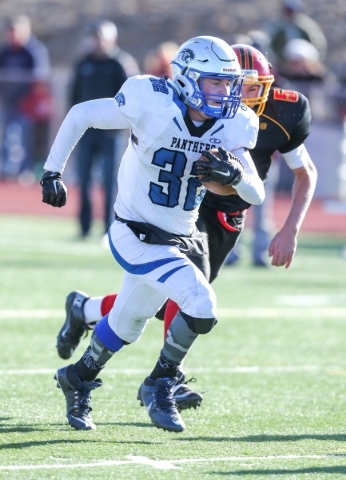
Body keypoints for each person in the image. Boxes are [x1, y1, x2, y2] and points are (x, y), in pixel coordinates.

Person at [54, 43, 317, 412]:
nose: (236, 95)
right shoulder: (159, 103)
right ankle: (165, 381)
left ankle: (82, 342)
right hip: (166, 214)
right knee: (193, 296)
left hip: (221, 212)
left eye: (245, 87)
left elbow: (265, 187)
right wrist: (53, 170)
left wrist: (279, 216)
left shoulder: (256, 117)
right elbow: (85, 114)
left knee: (143, 311)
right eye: (225, 84)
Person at [69, 20, 128, 238]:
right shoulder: (83, 62)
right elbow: (73, 96)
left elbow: (129, 100)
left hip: (110, 133)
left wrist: (119, 126)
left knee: (109, 181)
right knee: (83, 179)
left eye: (100, 37)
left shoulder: (119, 64)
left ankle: (108, 229)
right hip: (86, 131)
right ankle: (84, 228)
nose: (96, 42)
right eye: (93, 37)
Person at [0, 15, 51, 179]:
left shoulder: (34, 51)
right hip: (8, 102)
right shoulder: (6, 51)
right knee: (8, 136)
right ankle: (7, 171)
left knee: (25, 137)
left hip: (27, 104)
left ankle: (24, 171)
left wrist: (33, 101)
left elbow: (39, 78)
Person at [268, 0, 327, 69]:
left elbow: (318, 43)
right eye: (287, 10)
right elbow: (270, 45)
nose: (289, 13)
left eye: (291, 11)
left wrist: (314, 59)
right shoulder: (277, 26)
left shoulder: (306, 25)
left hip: (306, 63)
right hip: (283, 64)